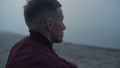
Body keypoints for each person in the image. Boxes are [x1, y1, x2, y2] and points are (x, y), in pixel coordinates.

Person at [5, 0, 78, 68]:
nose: (64, 27)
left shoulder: (18, 46)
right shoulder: (43, 60)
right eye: (61, 20)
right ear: (49, 24)